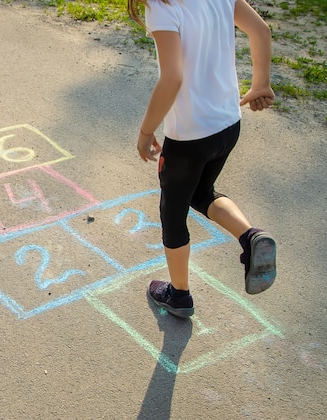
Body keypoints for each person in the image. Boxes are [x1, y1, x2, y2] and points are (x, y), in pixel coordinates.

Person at [127, 0, 277, 318]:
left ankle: (179, 295)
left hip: (189, 136)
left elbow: (172, 78)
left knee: (173, 213)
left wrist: (146, 130)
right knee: (202, 192)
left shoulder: (163, 6)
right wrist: (261, 83)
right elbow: (261, 30)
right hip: (227, 124)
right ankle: (252, 237)